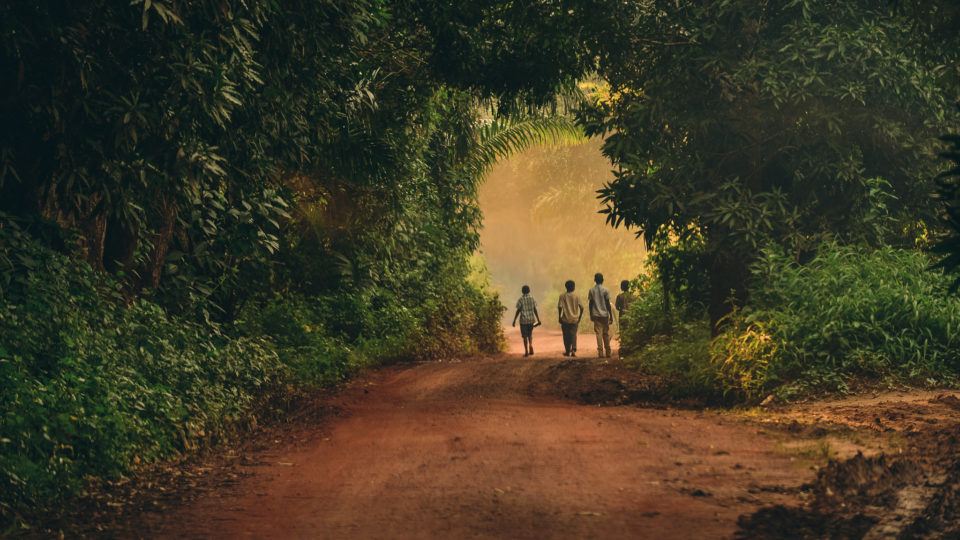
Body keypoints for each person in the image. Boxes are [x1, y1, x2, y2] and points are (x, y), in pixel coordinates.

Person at [588, 273, 614, 359]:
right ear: (602, 280)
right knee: (605, 333)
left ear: (594, 280)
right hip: (604, 315)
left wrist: (591, 314)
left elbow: (590, 304)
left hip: (596, 314)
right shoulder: (605, 290)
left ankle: (600, 353)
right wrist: (610, 315)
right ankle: (608, 352)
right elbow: (607, 304)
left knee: (598, 333)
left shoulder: (591, 290)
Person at [511, 285, 542, 357]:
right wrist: (538, 319)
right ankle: (530, 345)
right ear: (529, 291)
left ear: (522, 291)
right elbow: (535, 309)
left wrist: (514, 320)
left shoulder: (520, 299)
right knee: (530, 334)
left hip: (523, 321)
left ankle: (526, 351)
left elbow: (518, 310)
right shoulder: (532, 298)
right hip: (531, 320)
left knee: (524, 336)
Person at [557, 280, 584, 357]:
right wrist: (579, 317)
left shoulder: (562, 296)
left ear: (566, 287)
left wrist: (560, 317)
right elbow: (582, 308)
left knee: (566, 335)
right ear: (574, 287)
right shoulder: (577, 296)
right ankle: (573, 349)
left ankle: (567, 351)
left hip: (565, 319)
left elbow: (560, 307)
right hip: (575, 319)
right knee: (573, 334)